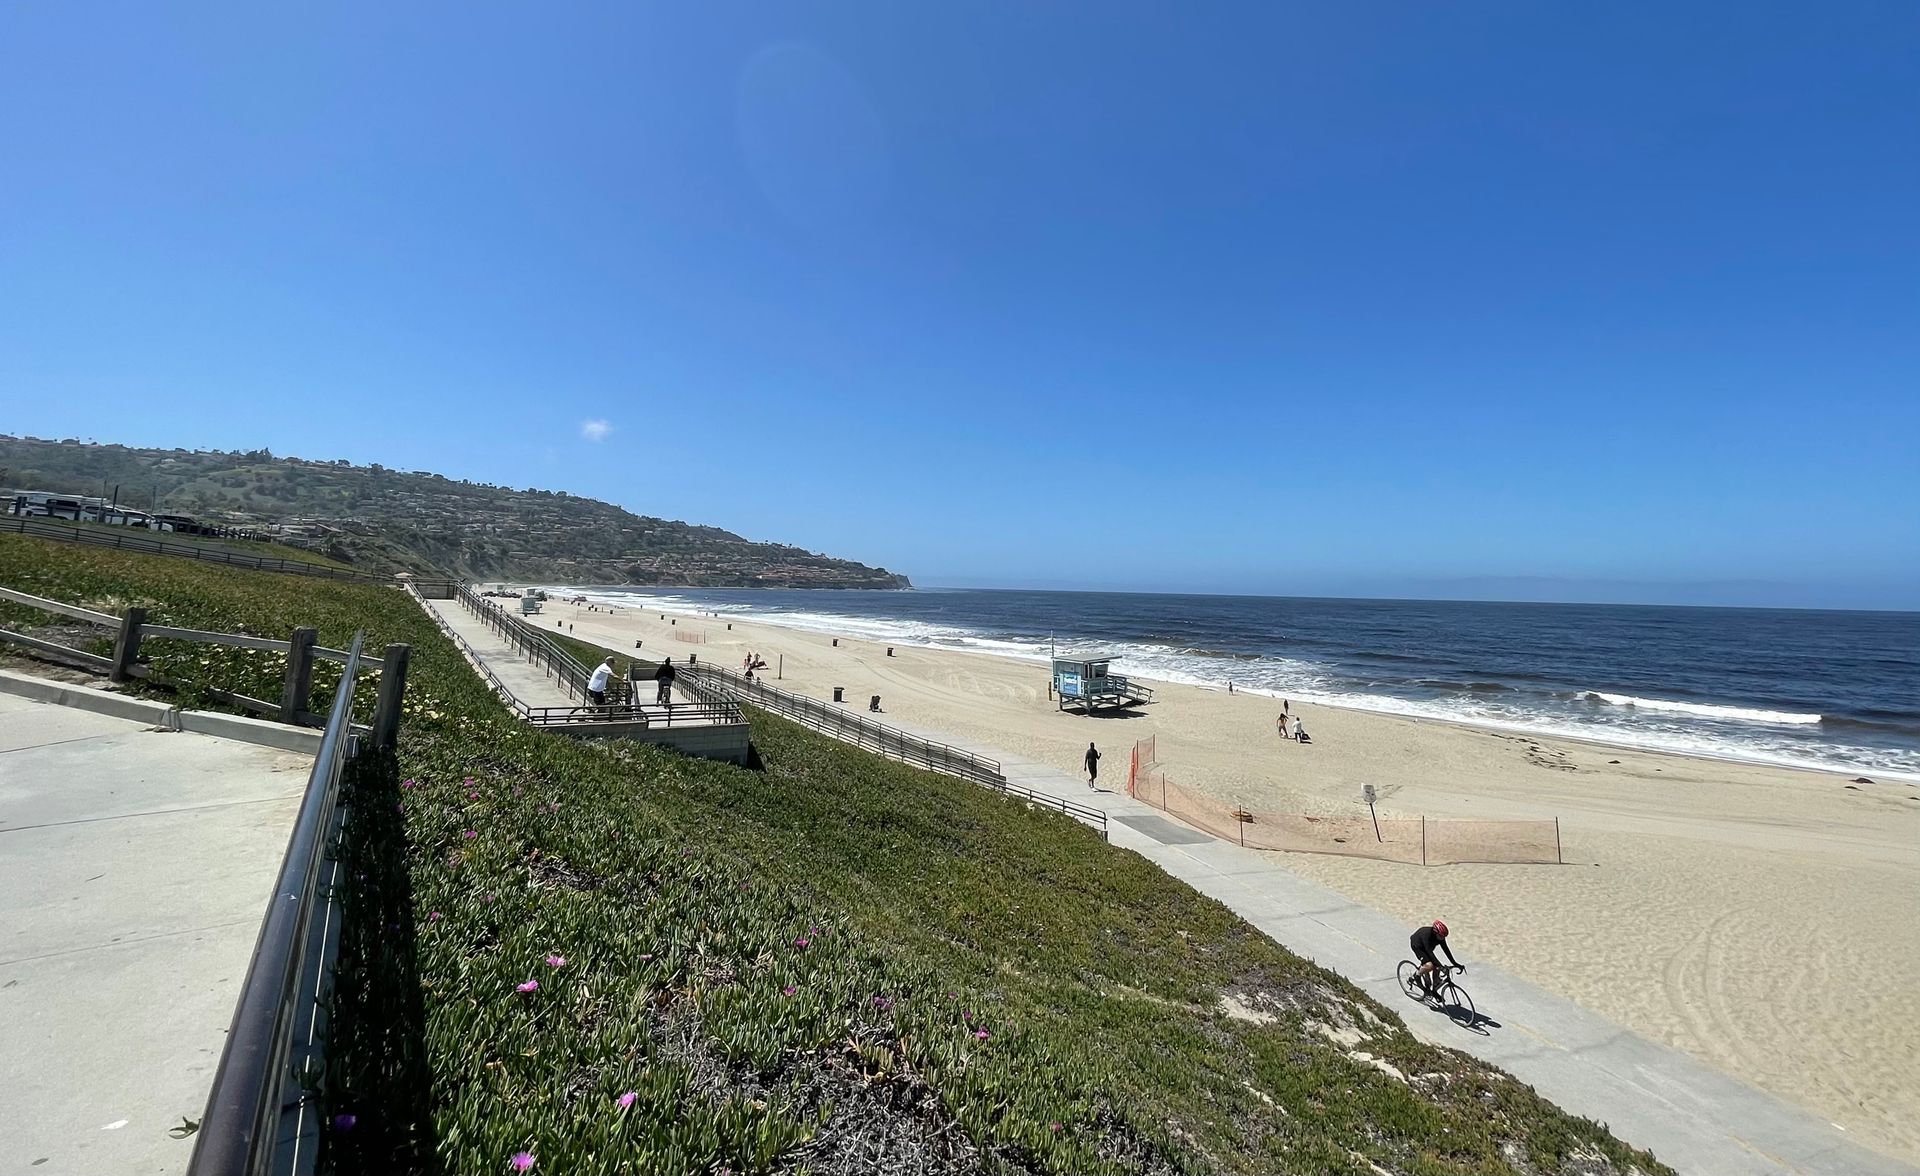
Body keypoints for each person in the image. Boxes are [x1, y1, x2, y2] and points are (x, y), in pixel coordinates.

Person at [1409, 919, 1462, 997]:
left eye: (1444, 937)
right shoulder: (1426, 935)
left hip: (1428, 947)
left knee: (1436, 967)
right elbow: (1429, 952)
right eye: (1441, 936)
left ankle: (1434, 990)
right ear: (1435, 932)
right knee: (1430, 965)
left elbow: (1446, 950)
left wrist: (1455, 963)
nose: (1442, 938)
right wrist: (1440, 966)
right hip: (1418, 946)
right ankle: (1417, 976)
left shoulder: (1440, 937)